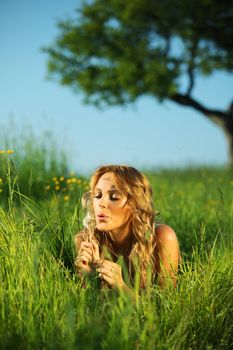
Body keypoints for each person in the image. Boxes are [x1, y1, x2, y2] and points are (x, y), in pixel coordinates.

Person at [74, 165, 180, 297]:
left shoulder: (162, 237)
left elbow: (166, 309)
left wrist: (120, 287)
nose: (101, 203)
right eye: (98, 195)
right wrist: (89, 278)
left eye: (114, 197)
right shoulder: (86, 240)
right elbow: (88, 308)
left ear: (135, 204)